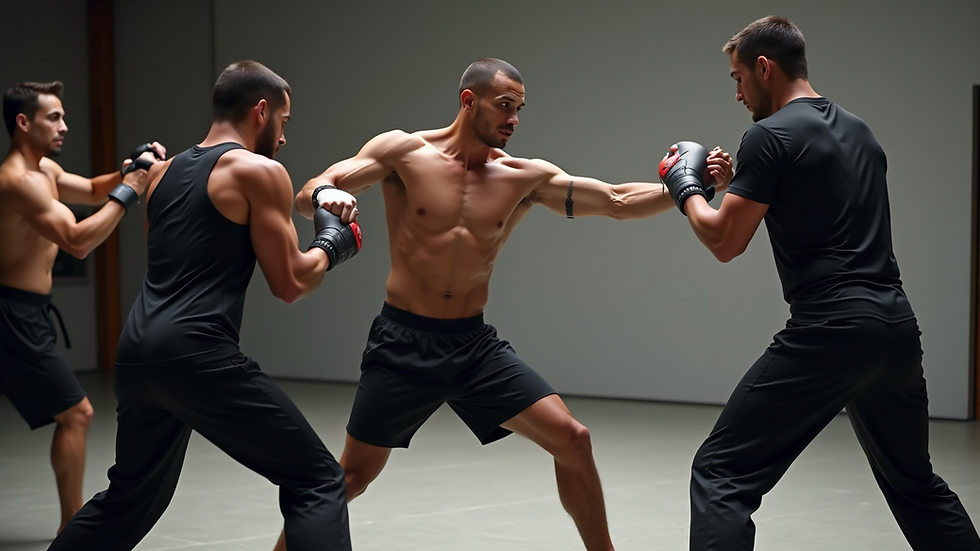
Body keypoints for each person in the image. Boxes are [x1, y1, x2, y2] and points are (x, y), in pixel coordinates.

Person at [270, 57, 733, 551]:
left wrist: (691, 187)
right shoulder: (403, 151)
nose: (514, 119)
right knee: (352, 478)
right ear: (469, 102)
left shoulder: (523, 177)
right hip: (403, 344)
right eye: (505, 106)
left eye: (520, 109)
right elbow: (309, 192)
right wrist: (325, 194)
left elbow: (617, 200)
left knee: (573, 440)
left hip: (473, 346)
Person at [657, 16, 980, 550]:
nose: (737, 93)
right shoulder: (860, 130)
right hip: (895, 327)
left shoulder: (768, 134)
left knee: (721, 475)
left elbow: (724, 241)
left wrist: (686, 188)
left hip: (833, 326)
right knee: (915, 484)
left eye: (738, 78)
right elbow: (811, 197)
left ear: (764, 67)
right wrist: (732, 183)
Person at [48, 61, 360, 551]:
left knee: (129, 497)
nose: (283, 138)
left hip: (136, 351)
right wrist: (333, 242)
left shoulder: (161, 176)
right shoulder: (261, 171)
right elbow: (291, 282)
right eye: (285, 121)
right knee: (318, 480)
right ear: (262, 111)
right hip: (197, 353)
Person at [0, 80, 163, 534]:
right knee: (77, 413)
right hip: (10, 312)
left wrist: (130, 168)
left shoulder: (46, 172)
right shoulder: (18, 182)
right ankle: (72, 526)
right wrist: (129, 191)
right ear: (23, 122)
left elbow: (92, 188)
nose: (64, 126)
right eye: (54, 117)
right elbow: (77, 241)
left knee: (72, 414)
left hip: (28, 311)